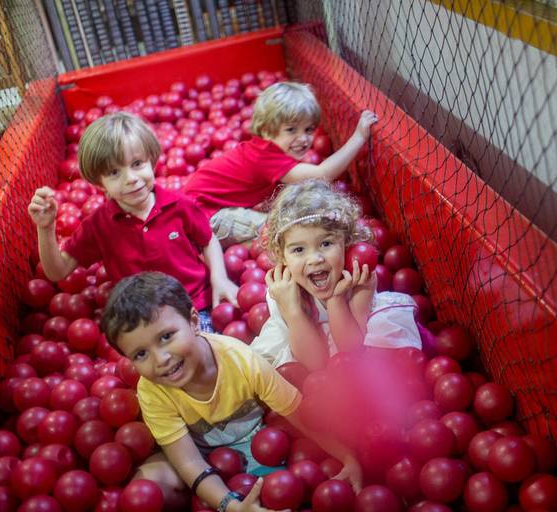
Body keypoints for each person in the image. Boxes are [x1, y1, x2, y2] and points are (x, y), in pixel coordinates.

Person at [101, 271, 361, 511]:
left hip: (257, 442)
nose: (161, 359)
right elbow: (188, 462)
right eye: (141, 354)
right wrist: (230, 505)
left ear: (194, 322)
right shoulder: (152, 390)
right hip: (199, 453)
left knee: (287, 485)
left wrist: (347, 456)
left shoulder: (242, 361)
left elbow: (301, 415)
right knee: (146, 485)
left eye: (166, 337)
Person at [27, 112, 238, 330]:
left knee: (202, 345)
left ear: (151, 161)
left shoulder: (179, 206)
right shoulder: (99, 226)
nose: (131, 178)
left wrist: (219, 278)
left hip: (193, 305)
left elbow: (207, 239)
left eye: (137, 164)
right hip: (142, 321)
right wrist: (46, 227)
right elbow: (57, 271)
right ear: (99, 183)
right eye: (114, 172)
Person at [250, 180, 422, 371]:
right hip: (306, 348)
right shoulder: (284, 291)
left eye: (325, 244)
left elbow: (350, 348)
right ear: (282, 256)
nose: (315, 259)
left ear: (346, 242)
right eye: (298, 249)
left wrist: (336, 299)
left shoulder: (359, 280)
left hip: (350, 347)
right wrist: (293, 310)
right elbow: (314, 364)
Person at [184, 81, 379, 247]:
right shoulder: (265, 158)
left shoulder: (266, 150)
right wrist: (359, 136)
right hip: (204, 215)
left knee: (280, 228)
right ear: (267, 129)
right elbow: (322, 174)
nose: (303, 138)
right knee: (284, 232)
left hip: (201, 211)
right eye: (291, 130)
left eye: (309, 130)